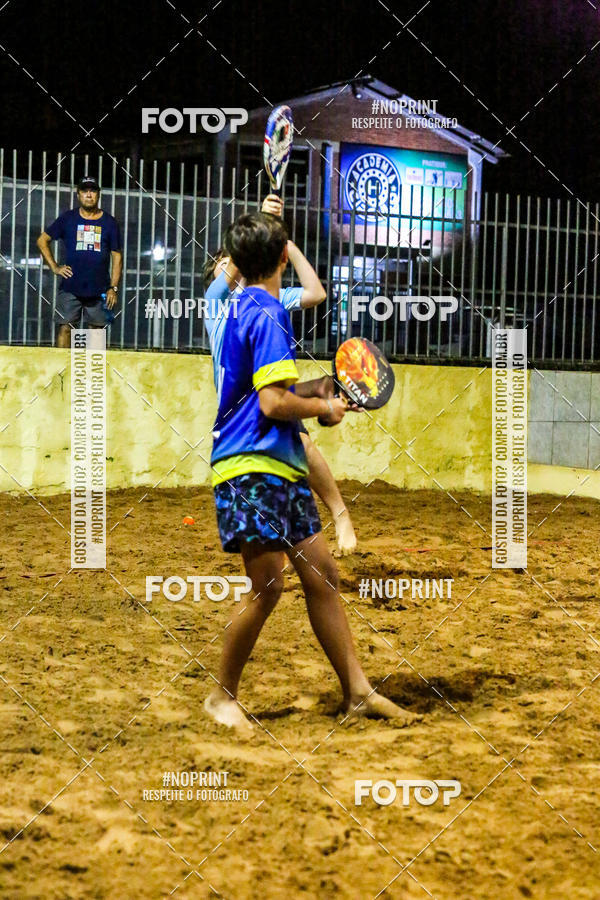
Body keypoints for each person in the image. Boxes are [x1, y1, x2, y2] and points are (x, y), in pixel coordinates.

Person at [204, 211, 416, 736]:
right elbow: (274, 403)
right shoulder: (269, 312)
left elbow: (272, 391)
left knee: (322, 576)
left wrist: (324, 389)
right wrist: (324, 411)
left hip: (275, 464)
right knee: (267, 587)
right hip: (252, 465)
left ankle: (358, 692)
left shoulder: (239, 306)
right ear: (282, 259)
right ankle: (220, 696)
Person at [203, 195, 357, 556]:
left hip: (261, 401)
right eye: (222, 264)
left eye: (231, 260)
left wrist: (282, 242)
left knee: (301, 445)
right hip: (244, 410)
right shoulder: (216, 302)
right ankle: (332, 521)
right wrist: (259, 223)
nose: (227, 267)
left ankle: (339, 516)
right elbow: (240, 260)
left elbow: (316, 292)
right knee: (297, 449)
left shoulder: (272, 300)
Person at [36, 176, 123, 347]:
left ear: (98, 195)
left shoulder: (110, 222)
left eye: (93, 191)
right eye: (85, 191)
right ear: (78, 195)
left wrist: (113, 288)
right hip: (70, 287)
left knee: (96, 331)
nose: (89, 195)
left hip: (100, 289)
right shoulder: (68, 218)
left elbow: (117, 257)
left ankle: (93, 372)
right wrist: (54, 267)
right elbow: (42, 240)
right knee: (65, 328)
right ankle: (62, 371)